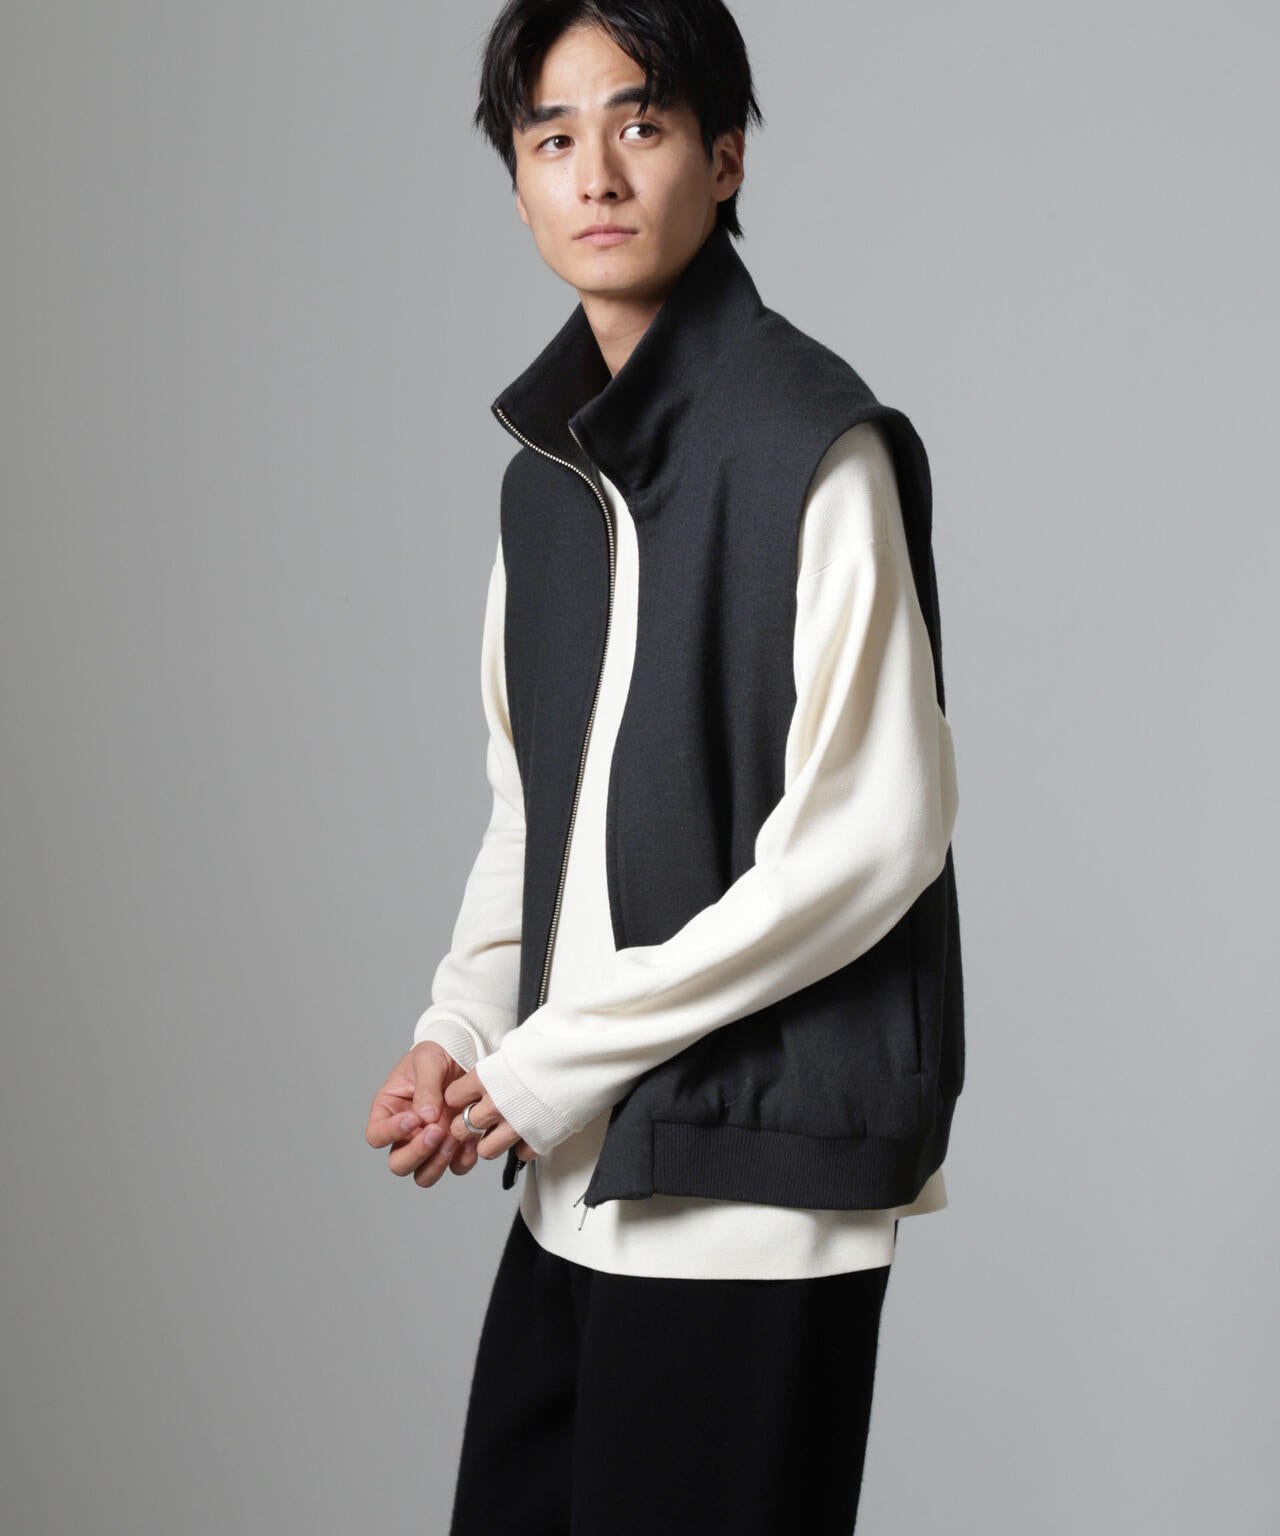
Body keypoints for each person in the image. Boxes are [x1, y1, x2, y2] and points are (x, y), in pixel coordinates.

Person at [364, 3, 965, 1530]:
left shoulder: (815, 444)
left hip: (752, 1198)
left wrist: (548, 1065)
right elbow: (532, 817)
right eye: (552, 138)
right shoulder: (546, 484)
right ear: (517, 182)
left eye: (640, 124)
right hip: (576, 1185)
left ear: (725, 156)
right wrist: (461, 1029)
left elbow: (872, 840)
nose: (597, 174)